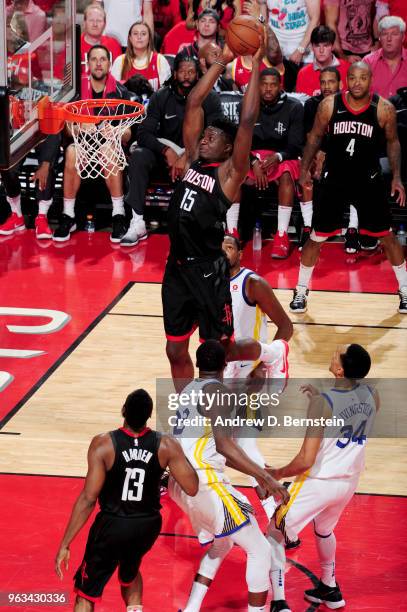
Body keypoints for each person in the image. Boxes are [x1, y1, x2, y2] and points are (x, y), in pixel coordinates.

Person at [161, 35, 292, 390]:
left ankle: (269, 352)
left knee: (218, 352)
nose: (206, 138)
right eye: (206, 134)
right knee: (175, 350)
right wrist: (224, 59)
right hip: (176, 266)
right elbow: (193, 102)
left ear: (230, 147)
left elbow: (248, 119)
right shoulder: (190, 156)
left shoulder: (230, 174)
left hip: (209, 270)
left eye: (214, 136)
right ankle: (188, 404)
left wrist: (253, 66)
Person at [169, 340, 290, 612]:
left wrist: (248, 386)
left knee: (223, 542)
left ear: (199, 364)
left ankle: (190, 609)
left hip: (181, 482)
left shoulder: (188, 390)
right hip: (204, 483)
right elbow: (224, 445)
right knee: (260, 550)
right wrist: (265, 477)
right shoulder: (218, 394)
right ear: (226, 364)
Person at [55, 388, 198, 612]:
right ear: (150, 416)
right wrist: (179, 456)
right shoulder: (166, 445)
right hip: (146, 526)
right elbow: (192, 487)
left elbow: (88, 499)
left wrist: (65, 543)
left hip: (113, 524)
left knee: (86, 592)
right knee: (130, 572)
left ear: (123, 410)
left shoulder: (103, 444)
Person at [289, 62, 407, 315]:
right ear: (346, 80)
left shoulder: (383, 108)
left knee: (387, 236)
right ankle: (300, 290)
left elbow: (393, 143)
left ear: (370, 79)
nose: (357, 82)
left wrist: (396, 177)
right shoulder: (330, 105)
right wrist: (303, 170)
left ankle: (405, 291)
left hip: (368, 179)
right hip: (335, 177)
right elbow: (314, 137)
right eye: (352, 77)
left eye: (362, 77)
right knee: (317, 236)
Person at [266, 344, 377, 612]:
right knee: (324, 529)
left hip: (321, 483)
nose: (333, 351)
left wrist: (276, 474)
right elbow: (349, 413)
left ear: (339, 369)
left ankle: (279, 602)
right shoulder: (373, 395)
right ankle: (329, 587)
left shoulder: (323, 403)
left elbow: (306, 460)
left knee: (274, 532)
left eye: (337, 352)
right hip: (349, 482)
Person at [222, 233, 292, 519]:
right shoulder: (209, 282)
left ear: (240, 252)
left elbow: (286, 327)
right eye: (219, 246)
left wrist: (264, 364)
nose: (223, 251)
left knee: (236, 445)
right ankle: (277, 506)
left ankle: (274, 506)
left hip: (250, 377)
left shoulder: (252, 284)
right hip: (224, 373)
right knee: (241, 446)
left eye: (229, 246)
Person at [121, 52, 222, 247]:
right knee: (140, 156)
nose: (186, 76)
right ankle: (137, 221)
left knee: (208, 160)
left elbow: (214, 137)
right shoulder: (161, 96)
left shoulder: (210, 98)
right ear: (174, 73)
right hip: (167, 156)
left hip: (197, 156)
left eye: (191, 72)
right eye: (182, 71)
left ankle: (199, 224)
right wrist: (166, 150)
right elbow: (143, 133)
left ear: (198, 75)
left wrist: (187, 156)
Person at [53, 45, 131, 244]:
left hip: (109, 146)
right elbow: (65, 128)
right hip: (82, 145)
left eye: (102, 59)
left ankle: (119, 215)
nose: (98, 63)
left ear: (109, 63)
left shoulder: (121, 91)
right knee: (72, 153)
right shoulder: (76, 90)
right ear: (88, 64)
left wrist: (115, 131)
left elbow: (129, 133)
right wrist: (79, 128)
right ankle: (68, 216)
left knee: (109, 150)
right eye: (94, 59)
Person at [244, 68, 304, 258]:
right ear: (258, 86)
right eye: (264, 84)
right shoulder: (248, 106)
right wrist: (253, 162)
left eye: (273, 84)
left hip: (282, 156)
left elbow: (295, 146)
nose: (268, 89)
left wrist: (277, 157)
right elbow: (240, 143)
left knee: (286, 173)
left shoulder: (294, 107)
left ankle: (281, 235)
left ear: (280, 86)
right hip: (253, 157)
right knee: (235, 171)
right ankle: (232, 231)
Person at [0, 134, 60, 239]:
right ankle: (16, 216)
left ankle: (42, 217)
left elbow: (55, 129)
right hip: (22, 132)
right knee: (6, 167)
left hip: (46, 133)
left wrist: (46, 163)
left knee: (46, 164)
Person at [111, 22, 171, 91]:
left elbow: (166, 93)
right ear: (130, 38)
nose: (139, 37)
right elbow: (114, 92)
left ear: (149, 38)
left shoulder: (160, 60)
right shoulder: (120, 61)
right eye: (135, 33)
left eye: (143, 34)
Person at [259, 0, 320, 64]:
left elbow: (315, 20)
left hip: (303, 51)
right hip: (275, 52)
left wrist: (301, 49)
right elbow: (261, 19)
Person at [295, 25, 349, 97]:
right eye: (317, 46)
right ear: (312, 47)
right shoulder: (303, 74)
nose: (321, 50)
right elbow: (302, 104)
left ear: (332, 47)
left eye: (326, 46)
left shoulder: (347, 68)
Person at [364, 15, 407, 99]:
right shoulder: (368, 62)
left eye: (394, 34)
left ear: (403, 38)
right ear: (379, 37)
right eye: (384, 34)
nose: (389, 39)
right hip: (375, 111)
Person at [80, 3, 122, 75]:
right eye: (91, 20)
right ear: (84, 22)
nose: (95, 24)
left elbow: (120, 75)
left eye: (99, 21)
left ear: (105, 24)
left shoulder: (114, 44)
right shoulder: (74, 44)